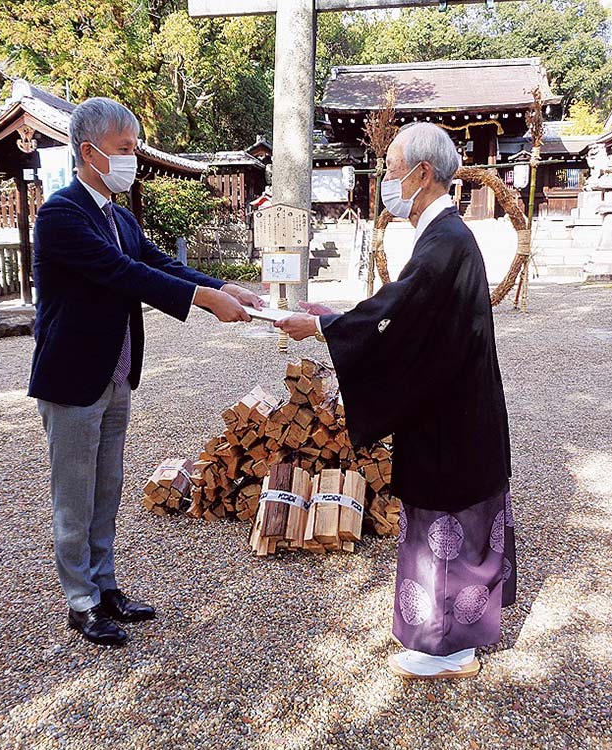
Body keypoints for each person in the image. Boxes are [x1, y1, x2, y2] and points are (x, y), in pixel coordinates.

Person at [276, 123, 515, 680]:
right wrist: (332, 319)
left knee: (448, 525)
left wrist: (325, 328)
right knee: (450, 525)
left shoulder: (446, 242)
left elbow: (399, 319)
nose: (385, 180)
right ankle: (452, 638)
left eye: (389, 168)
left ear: (421, 174)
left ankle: (447, 646)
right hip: (454, 405)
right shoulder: (444, 238)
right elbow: (401, 314)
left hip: (449, 416)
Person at [29, 97, 263, 647]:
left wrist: (226, 287)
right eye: (125, 149)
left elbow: (159, 263)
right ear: (89, 153)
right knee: (74, 493)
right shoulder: (61, 214)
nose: (134, 159)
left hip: (115, 373)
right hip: (72, 376)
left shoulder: (119, 214)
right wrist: (204, 300)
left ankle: (105, 585)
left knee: (107, 486)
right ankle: (79, 600)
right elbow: (121, 272)